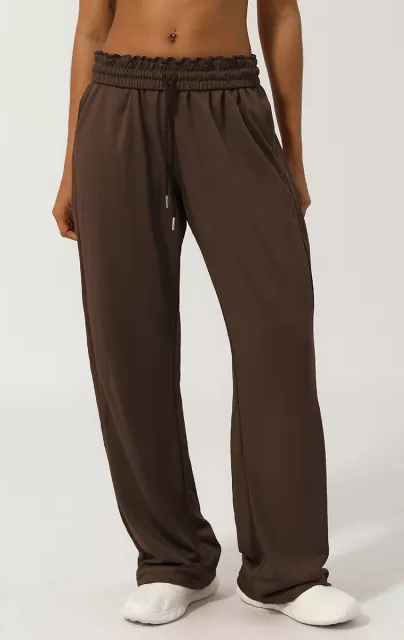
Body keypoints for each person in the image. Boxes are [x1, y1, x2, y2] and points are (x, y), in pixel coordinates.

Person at [52, 0, 360, 627]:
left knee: (276, 332)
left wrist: (293, 154)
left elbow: (281, 16)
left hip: (228, 101)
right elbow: (90, 26)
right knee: (127, 338)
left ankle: (285, 570)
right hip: (119, 101)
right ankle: (172, 557)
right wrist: (71, 166)